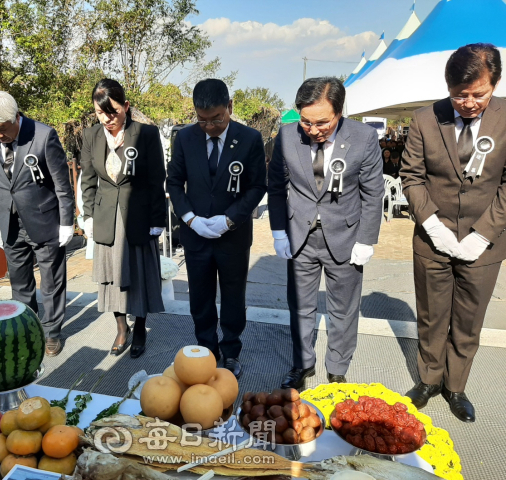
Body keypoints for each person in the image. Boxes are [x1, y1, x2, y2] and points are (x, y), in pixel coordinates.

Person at [401, 43, 506, 423]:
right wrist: (431, 225)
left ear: (494, 83)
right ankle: (428, 380)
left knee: (468, 320)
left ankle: (456, 386)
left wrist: (483, 233)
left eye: (479, 94)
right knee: (431, 315)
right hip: (433, 240)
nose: (469, 103)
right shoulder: (426, 119)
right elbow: (411, 176)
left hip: (485, 243)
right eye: (459, 95)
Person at [268, 77, 384, 389]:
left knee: (343, 310)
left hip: (345, 236)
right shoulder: (286, 137)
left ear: (339, 112)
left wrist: (366, 239)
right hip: (300, 236)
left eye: (322, 122)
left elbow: (373, 193)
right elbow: (277, 188)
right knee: (301, 307)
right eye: (306, 121)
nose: (314, 130)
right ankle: (302, 364)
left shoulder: (363, 138)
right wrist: (279, 231)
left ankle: (337, 368)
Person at [166, 78, 267, 379]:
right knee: (200, 297)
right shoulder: (184, 138)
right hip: (196, 235)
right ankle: (207, 350)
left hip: (232, 236)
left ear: (230, 107)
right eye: (203, 120)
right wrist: (190, 218)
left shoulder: (249, 138)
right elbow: (174, 182)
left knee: (234, 296)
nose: (210, 126)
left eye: (217, 119)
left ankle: (232, 350)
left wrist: (229, 219)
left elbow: (257, 185)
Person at [0, 91, 75, 357]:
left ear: (15, 117)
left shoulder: (42, 136)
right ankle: (27, 328)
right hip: (8, 221)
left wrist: (67, 222)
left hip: (44, 220)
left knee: (51, 281)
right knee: (19, 282)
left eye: (2, 129)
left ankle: (52, 331)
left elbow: (62, 184)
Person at [81, 79, 166, 358]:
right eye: (99, 113)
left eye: (113, 112)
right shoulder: (91, 136)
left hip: (138, 218)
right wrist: (89, 215)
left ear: (126, 107)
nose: (107, 119)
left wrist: (158, 220)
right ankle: (121, 327)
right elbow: (89, 181)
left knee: (138, 276)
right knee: (112, 277)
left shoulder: (146, 134)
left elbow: (156, 179)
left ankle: (139, 327)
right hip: (107, 218)